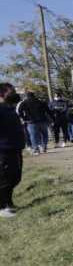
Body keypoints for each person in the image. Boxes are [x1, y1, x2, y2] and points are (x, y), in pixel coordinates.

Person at [0, 83, 25, 218]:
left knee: (15, 177)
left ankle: (8, 202)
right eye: (11, 92)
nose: (15, 94)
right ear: (2, 94)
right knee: (4, 178)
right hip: (3, 149)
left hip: (15, 148)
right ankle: (2, 207)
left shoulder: (9, 108)